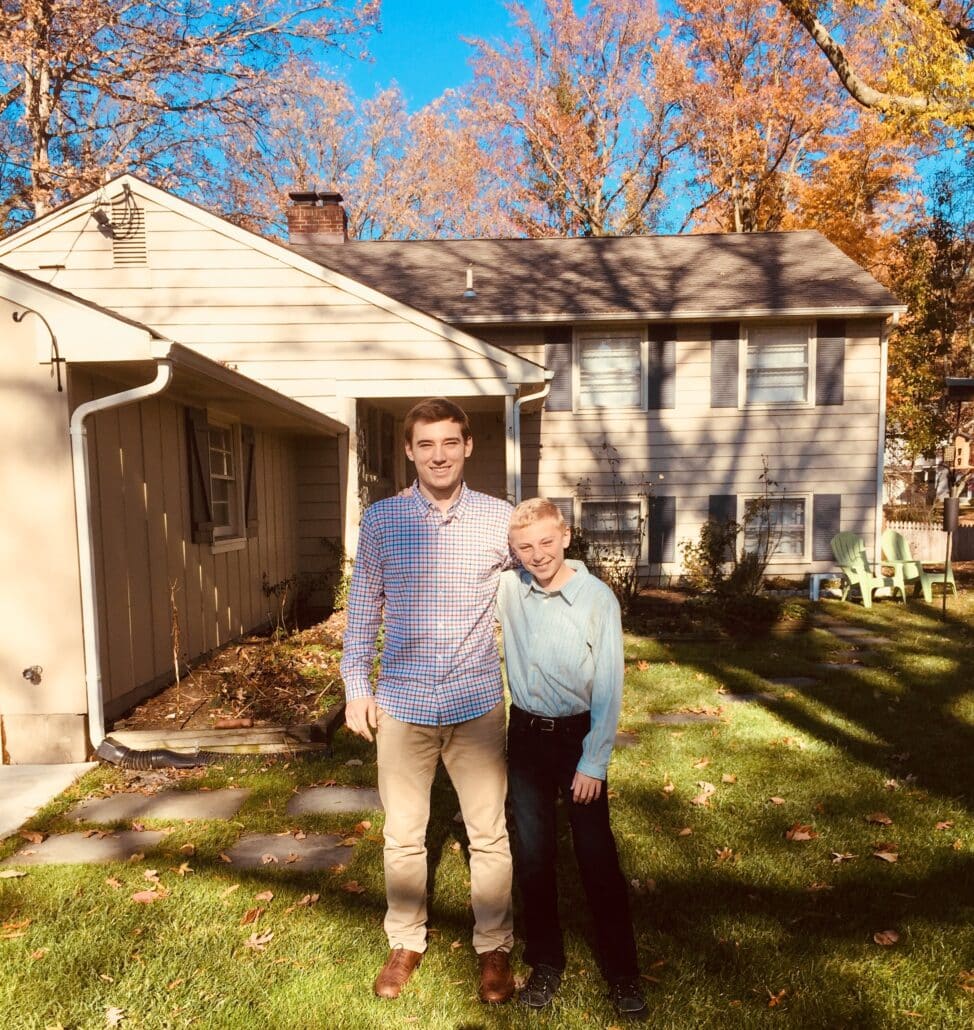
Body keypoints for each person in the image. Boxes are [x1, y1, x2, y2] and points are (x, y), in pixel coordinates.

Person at [340, 397, 516, 1004]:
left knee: (489, 833)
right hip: (404, 705)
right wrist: (356, 687)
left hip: (476, 703)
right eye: (426, 445)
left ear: (468, 447)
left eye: (449, 443)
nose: (438, 455)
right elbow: (363, 611)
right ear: (410, 452)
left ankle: (494, 947)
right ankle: (406, 940)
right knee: (404, 834)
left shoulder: (501, 519)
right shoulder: (383, 521)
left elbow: (543, 583)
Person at [496, 497, 647, 1021]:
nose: (536, 555)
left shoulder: (596, 598)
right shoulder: (510, 591)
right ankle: (545, 961)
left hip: (578, 736)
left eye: (544, 541)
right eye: (524, 547)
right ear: (513, 552)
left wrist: (594, 761)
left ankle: (623, 973)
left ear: (565, 535)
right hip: (527, 737)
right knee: (534, 854)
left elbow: (608, 684)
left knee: (595, 855)